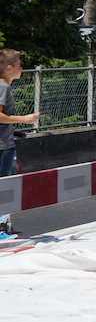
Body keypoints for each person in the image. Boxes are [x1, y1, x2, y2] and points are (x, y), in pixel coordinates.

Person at [0, 49, 42, 238]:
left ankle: (4, 226)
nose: (21, 68)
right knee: (5, 186)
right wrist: (24, 119)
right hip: (3, 146)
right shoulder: (3, 88)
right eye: (18, 65)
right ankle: (1, 228)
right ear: (9, 68)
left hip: (5, 144)